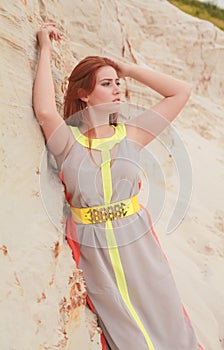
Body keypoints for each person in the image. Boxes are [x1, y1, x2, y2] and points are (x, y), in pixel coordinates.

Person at [33, 23, 204, 350]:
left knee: (172, 328)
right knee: (127, 336)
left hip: (139, 246)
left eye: (118, 84)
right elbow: (44, 110)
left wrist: (127, 68)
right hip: (95, 254)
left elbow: (180, 91)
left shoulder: (132, 135)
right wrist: (44, 47)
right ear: (84, 93)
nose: (117, 89)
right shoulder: (69, 143)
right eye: (107, 84)